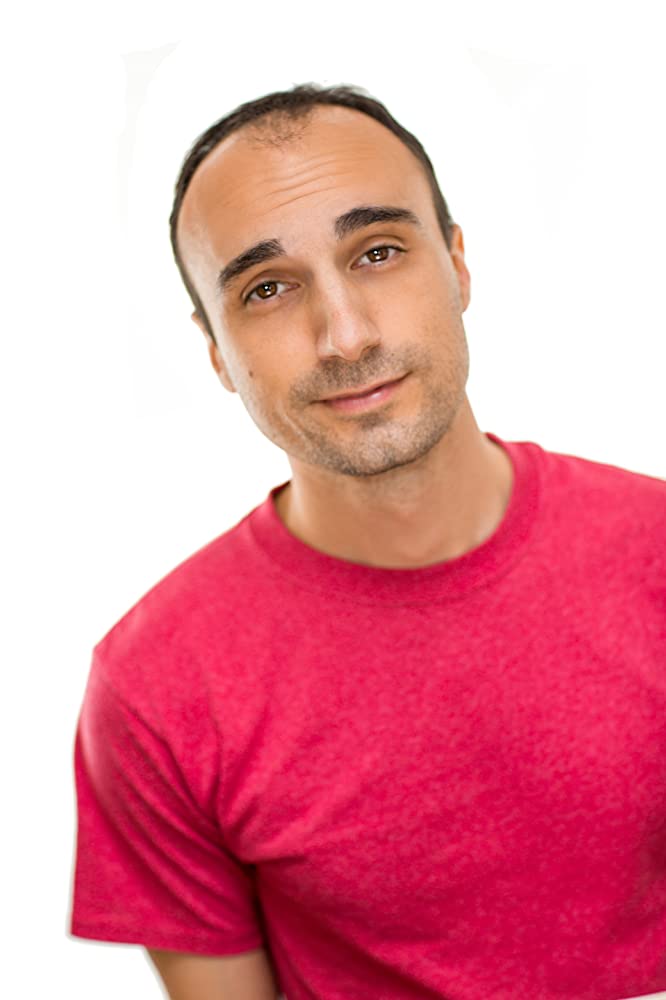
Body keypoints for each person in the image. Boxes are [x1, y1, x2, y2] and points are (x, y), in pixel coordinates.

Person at [69, 82, 666, 1000]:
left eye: (378, 252)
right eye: (267, 289)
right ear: (218, 351)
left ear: (458, 266)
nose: (343, 336)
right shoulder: (157, 688)